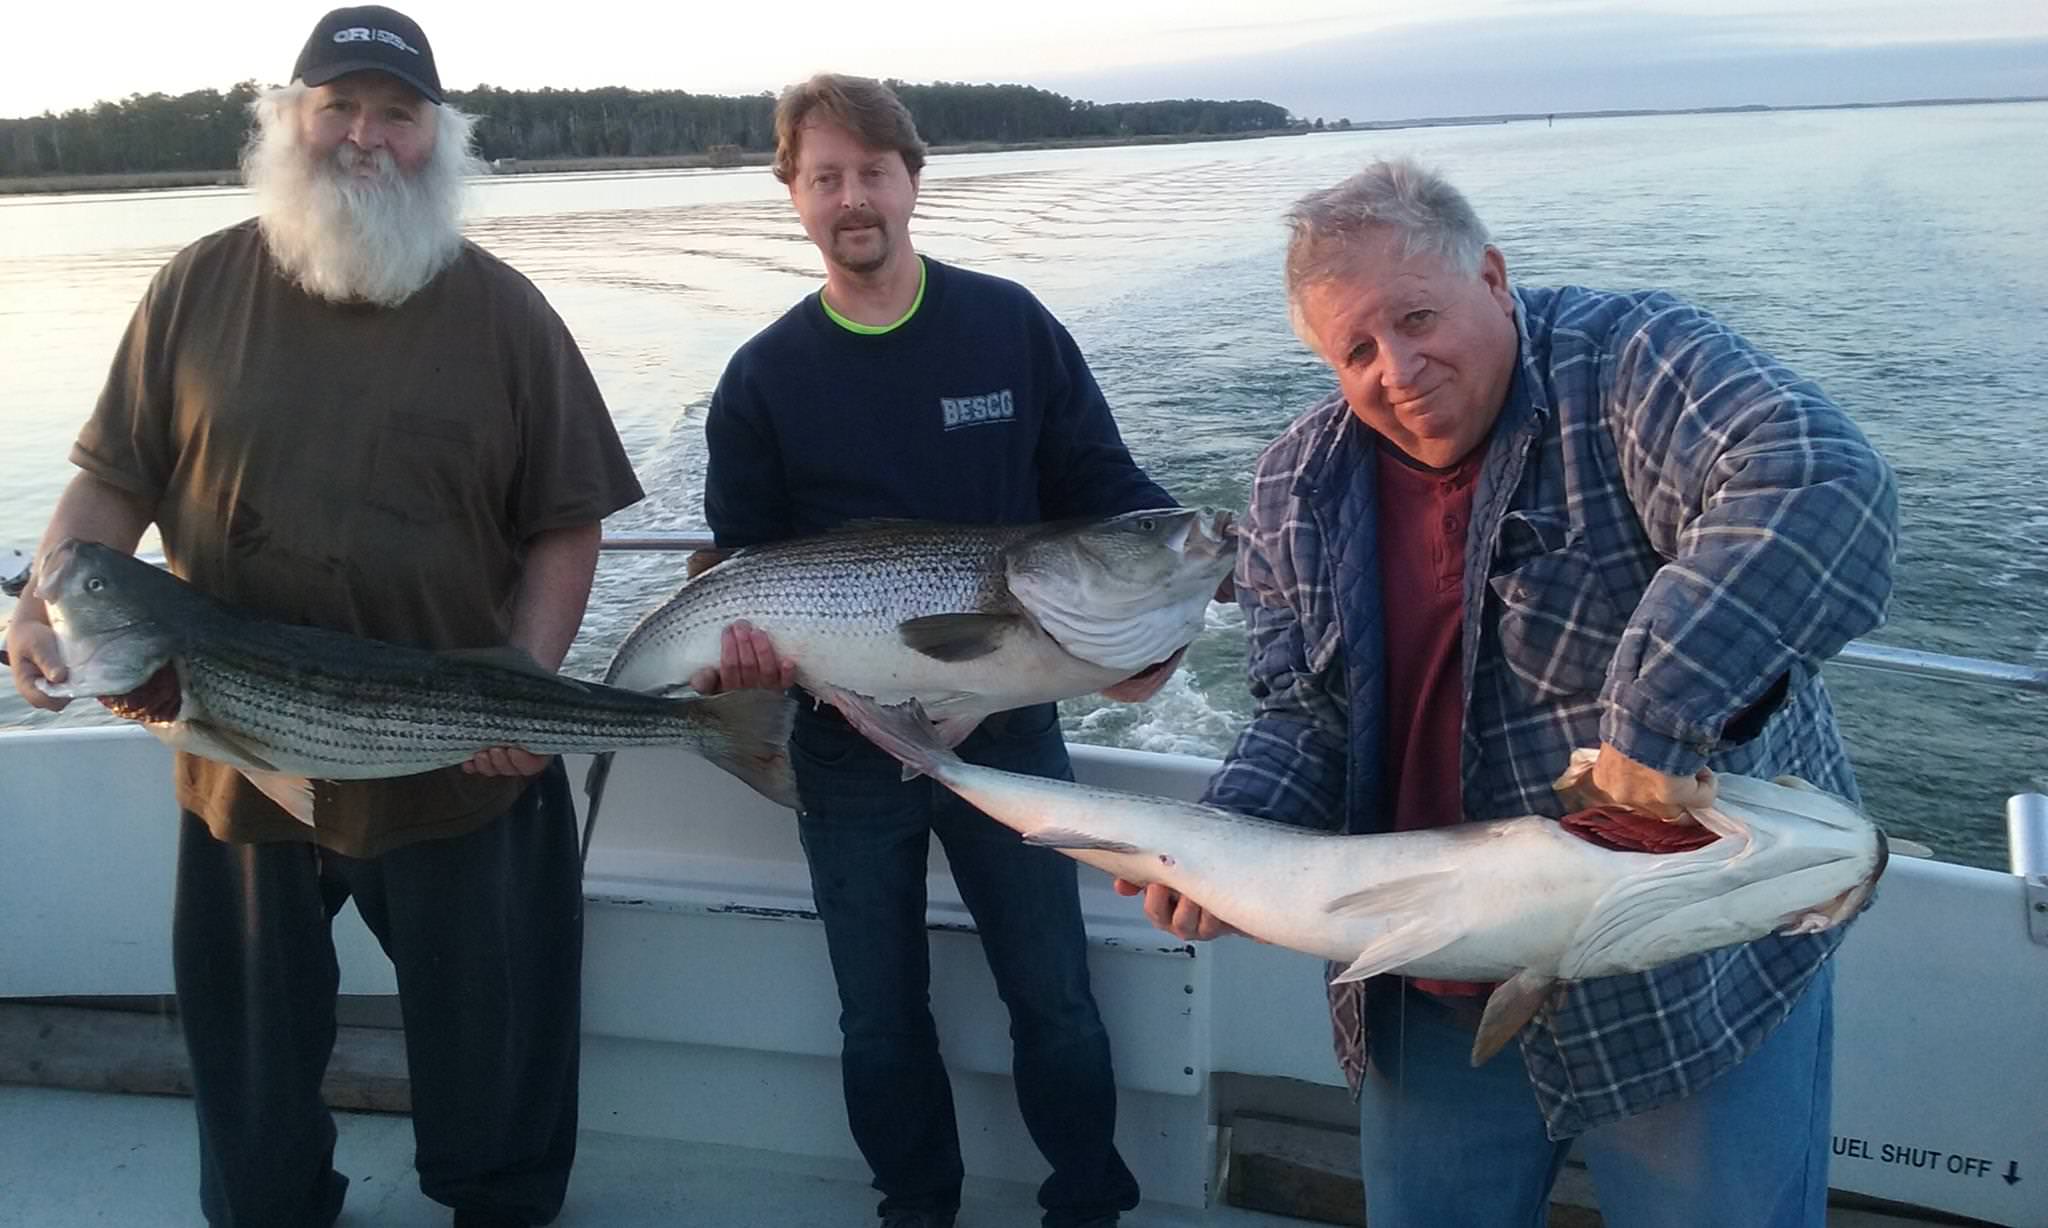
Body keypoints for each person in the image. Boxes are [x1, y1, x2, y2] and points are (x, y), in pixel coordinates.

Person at [1122, 158, 1898, 1227]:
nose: (1396, 367)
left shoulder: (1625, 359)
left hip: (1684, 976)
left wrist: (1660, 707)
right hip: (1430, 979)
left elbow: (1816, 479)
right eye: (1354, 349)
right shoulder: (1293, 482)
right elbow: (1303, 712)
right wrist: (1228, 834)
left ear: (1490, 277)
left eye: (1415, 315)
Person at [4, 7, 643, 1226]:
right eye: (339, 106)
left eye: (396, 113)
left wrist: (523, 680)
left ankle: (498, 1205)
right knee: (248, 1059)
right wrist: (40, 605)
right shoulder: (195, 286)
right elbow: (109, 485)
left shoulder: (508, 315)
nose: (365, 136)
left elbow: (568, 526)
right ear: (288, 119)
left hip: (459, 757)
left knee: (497, 1042)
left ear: (437, 136)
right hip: (237, 752)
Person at [684, 74, 1180, 1228]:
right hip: (843, 742)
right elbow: (740, 561)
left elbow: (1105, 493)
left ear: (913, 179)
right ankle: (915, 1205)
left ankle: (1086, 1203)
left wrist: (1157, 615)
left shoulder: (1007, 326)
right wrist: (739, 665)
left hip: (1008, 716)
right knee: (876, 1009)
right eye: (824, 177)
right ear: (792, 195)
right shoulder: (761, 377)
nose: (851, 198)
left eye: (870, 171)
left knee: (1052, 992)